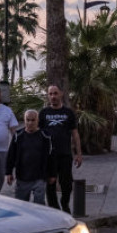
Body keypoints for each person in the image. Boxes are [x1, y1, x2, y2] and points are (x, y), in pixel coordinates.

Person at [40, 84, 83, 213]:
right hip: (49, 155)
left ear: (61, 94)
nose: (53, 96)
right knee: (50, 183)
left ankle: (65, 204)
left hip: (65, 154)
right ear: (48, 96)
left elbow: (75, 134)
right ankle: (54, 209)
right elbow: (38, 134)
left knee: (67, 184)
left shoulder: (68, 112)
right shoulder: (43, 113)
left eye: (55, 93)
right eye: (50, 94)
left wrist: (78, 154)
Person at [5, 110, 55, 204]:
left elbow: (51, 156)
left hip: (40, 177)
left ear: (37, 120)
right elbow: (11, 154)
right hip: (23, 177)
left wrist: (52, 174)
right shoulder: (18, 135)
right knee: (22, 206)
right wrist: (8, 172)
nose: (30, 123)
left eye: (33, 120)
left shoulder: (46, 136)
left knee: (39, 205)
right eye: (28, 120)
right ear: (24, 120)